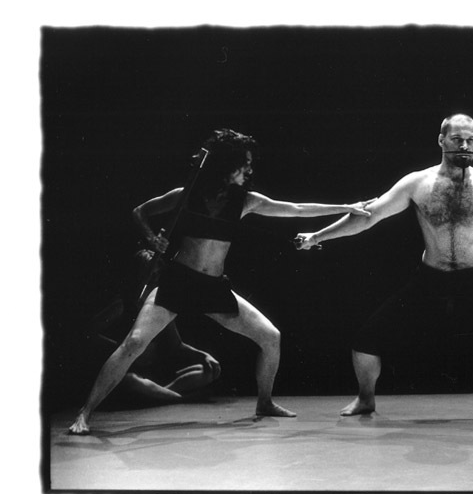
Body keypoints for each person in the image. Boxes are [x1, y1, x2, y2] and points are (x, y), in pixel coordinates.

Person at [69, 128, 372, 434]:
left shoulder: (246, 201)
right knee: (134, 343)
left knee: (271, 337)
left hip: (213, 288)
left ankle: (264, 402)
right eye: (244, 164)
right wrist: (151, 238)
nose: (249, 170)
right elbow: (140, 212)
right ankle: (85, 413)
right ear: (226, 165)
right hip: (178, 281)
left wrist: (346, 207)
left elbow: (296, 209)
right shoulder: (187, 194)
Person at [295, 114, 473, 421]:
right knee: (366, 339)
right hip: (431, 281)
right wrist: (318, 236)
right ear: (441, 140)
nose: (464, 146)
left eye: (470, 140)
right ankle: (365, 399)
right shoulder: (417, 183)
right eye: (457, 139)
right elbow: (369, 216)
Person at [85, 249, 222, 408]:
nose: (154, 278)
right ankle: (181, 399)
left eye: (157, 273)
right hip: (128, 371)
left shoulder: (160, 305)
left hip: (154, 372)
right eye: (150, 273)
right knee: (132, 380)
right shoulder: (123, 304)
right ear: (138, 274)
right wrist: (122, 348)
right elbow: (89, 333)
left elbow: (177, 345)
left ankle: (161, 394)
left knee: (208, 370)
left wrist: (204, 356)